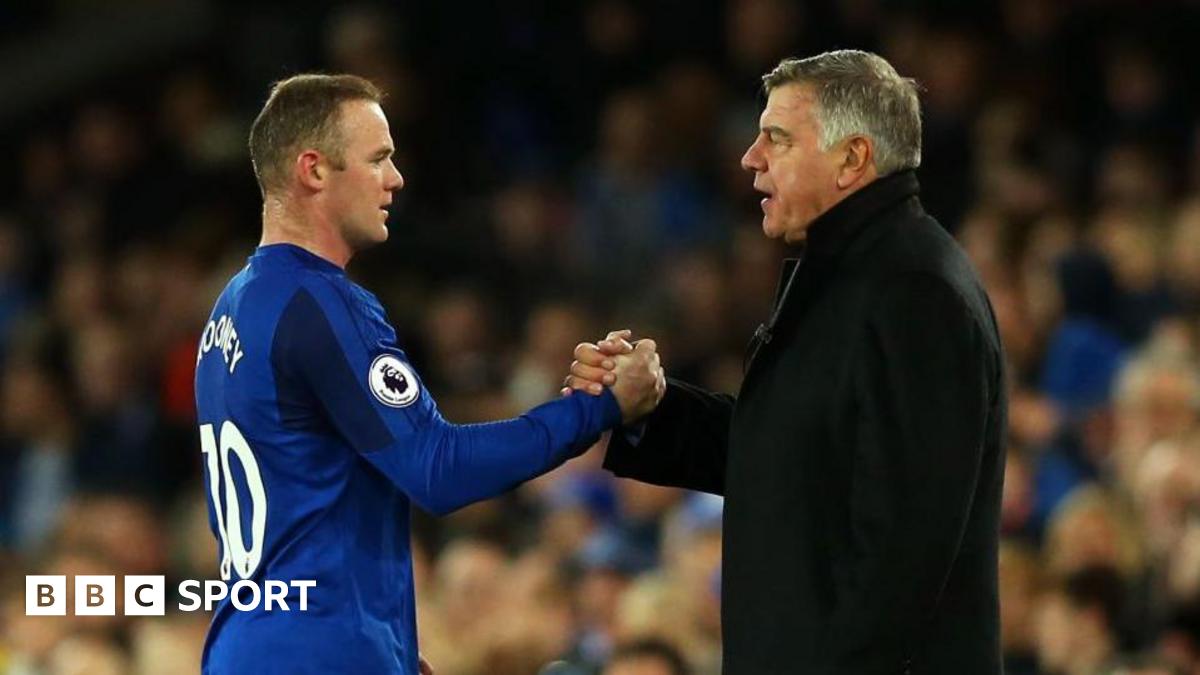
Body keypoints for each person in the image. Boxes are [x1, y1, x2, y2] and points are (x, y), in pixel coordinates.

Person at [566, 50, 1008, 674]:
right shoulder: (848, 275)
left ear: (852, 158)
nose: (750, 157)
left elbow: (904, 551)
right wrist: (648, 407)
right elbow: (789, 458)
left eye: (776, 137)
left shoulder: (916, 293)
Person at [193, 74, 638, 675]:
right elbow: (438, 469)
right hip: (321, 652)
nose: (396, 178)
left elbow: (303, 493)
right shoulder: (320, 303)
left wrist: (392, 643)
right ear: (314, 170)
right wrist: (600, 406)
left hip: (247, 646)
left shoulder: (231, 309)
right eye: (378, 159)